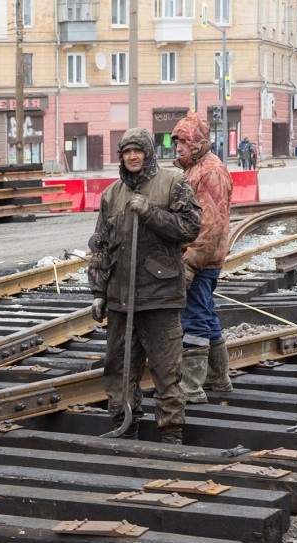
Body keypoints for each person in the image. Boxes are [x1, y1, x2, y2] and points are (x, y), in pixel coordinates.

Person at [87, 128, 202, 445]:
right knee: (119, 370)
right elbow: (102, 246)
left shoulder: (173, 184)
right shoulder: (112, 194)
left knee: (167, 371)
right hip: (120, 301)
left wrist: (150, 213)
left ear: (149, 153)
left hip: (160, 298)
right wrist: (98, 292)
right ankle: (126, 425)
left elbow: (190, 228)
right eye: (127, 152)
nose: (133, 156)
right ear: (121, 157)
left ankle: (170, 432)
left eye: (138, 151)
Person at [172, 113, 234, 405]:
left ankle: (192, 385)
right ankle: (218, 378)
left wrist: (190, 261)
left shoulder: (209, 171)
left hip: (200, 259)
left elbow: (210, 225)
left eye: (184, 141)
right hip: (203, 258)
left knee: (194, 317)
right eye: (176, 142)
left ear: (197, 142)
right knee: (206, 314)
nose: (178, 147)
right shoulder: (197, 168)